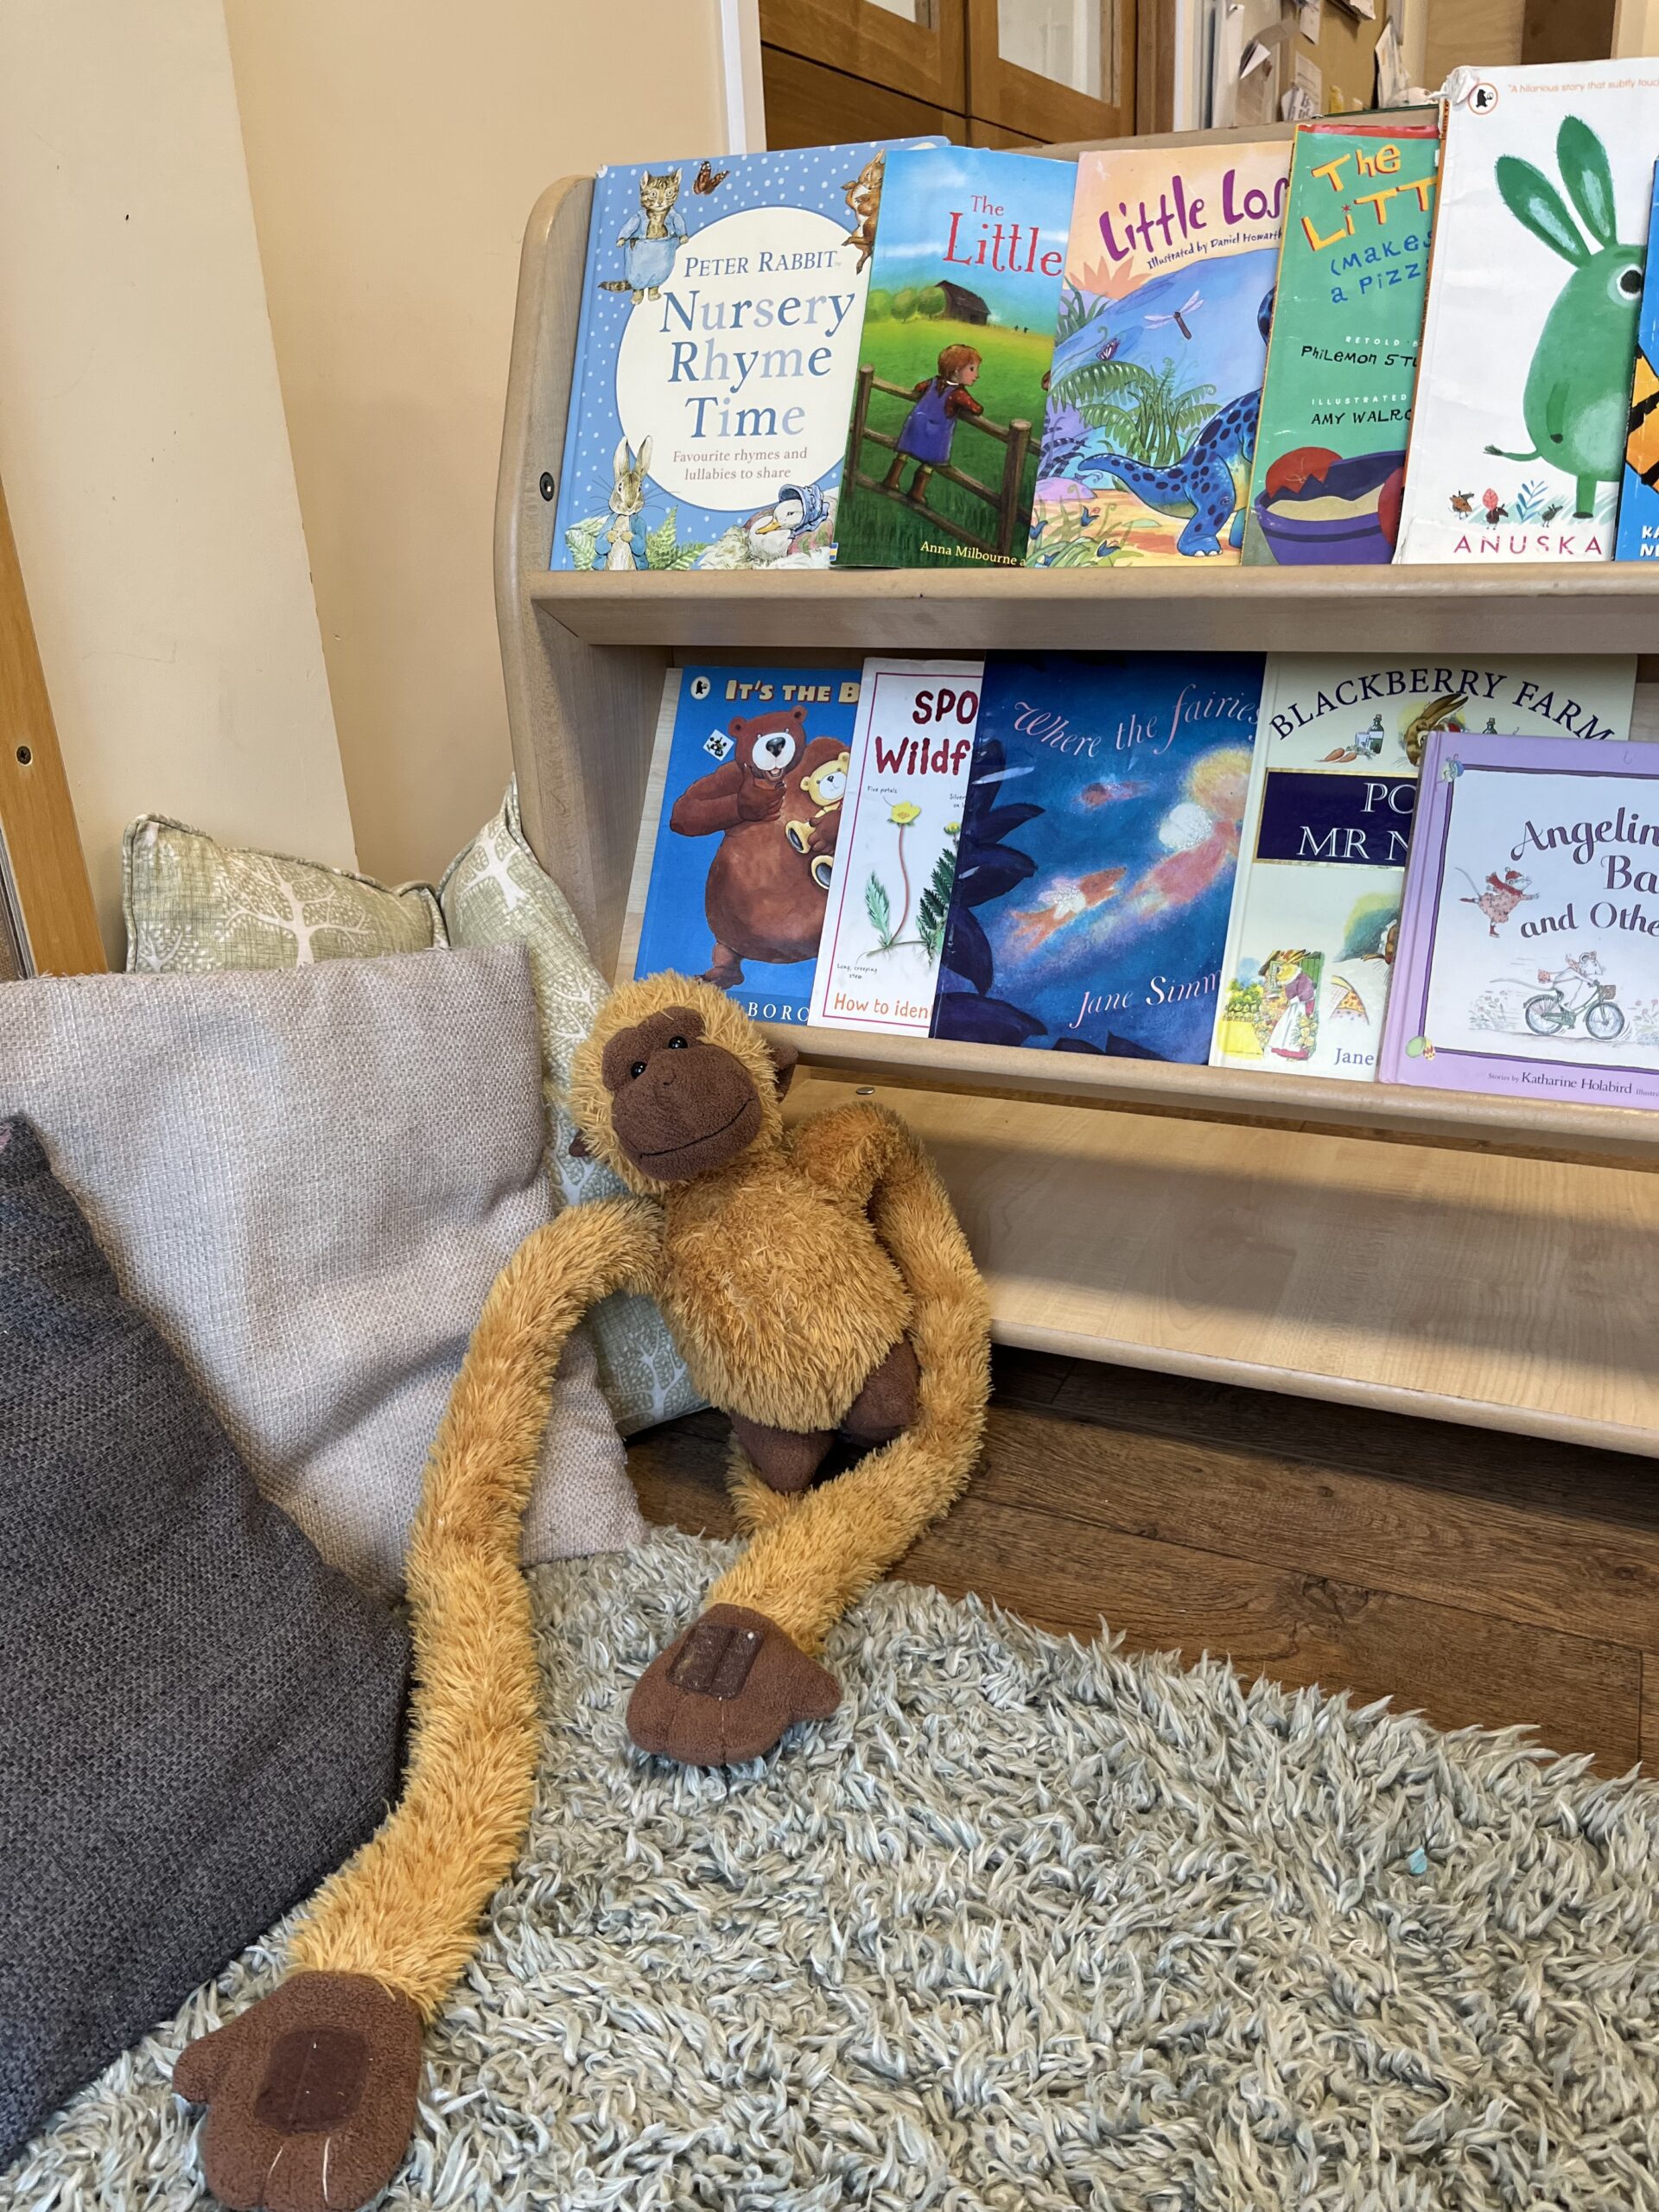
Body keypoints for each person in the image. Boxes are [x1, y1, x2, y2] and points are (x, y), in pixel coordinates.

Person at [881, 344, 984, 506]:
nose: (976, 375)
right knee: (929, 462)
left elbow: (919, 387)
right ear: (957, 370)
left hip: (917, 423)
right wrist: (977, 408)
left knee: (904, 452)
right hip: (936, 433)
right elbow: (975, 408)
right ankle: (917, 492)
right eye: (972, 369)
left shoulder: (934, 382)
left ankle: (891, 479)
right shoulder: (958, 394)